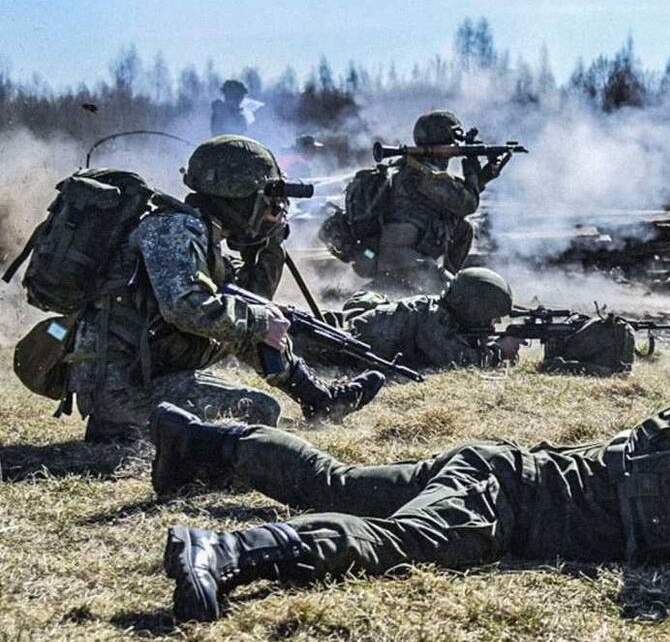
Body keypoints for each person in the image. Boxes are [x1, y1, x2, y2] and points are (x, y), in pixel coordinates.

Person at [150, 312, 670, 622]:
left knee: (341, 485)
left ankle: (202, 445)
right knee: (401, 541)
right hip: (501, 498)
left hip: (499, 469)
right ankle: (229, 547)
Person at [71, 135, 386, 442]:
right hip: (123, 388)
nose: (270, 207)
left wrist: (269, 243)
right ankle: (118, 426)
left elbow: (250, 297)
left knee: (250, 320)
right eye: (264, 200)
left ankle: (318, 397)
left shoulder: (202, 235)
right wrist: (260, 322)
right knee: (260, 411)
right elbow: (186, 306)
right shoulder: (174, 229)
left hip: (148, 367)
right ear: (239, 197)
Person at [343, 110, 509, 293]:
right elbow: (467, 204)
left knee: (464, 228)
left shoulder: (408, 166)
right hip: (401, 260)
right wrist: (470, 168)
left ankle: (438, 282)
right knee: (455, 296)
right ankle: (437, 290)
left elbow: (454, 201)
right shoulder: (424, 175)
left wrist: (481, 179)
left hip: (392, 254)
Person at [293, 267, 524, 372]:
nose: (493, 326)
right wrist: (499, 351)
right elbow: (457, 362)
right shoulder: (431, 320)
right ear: (472, 310)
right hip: (326, 346)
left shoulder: (445, 311)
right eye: (490, 319)